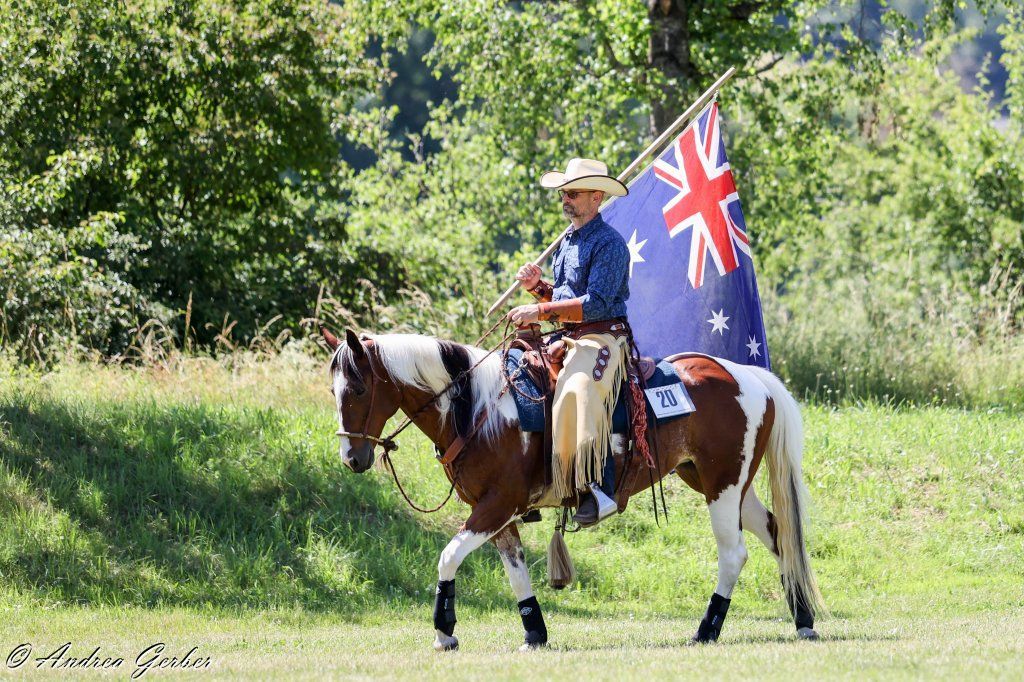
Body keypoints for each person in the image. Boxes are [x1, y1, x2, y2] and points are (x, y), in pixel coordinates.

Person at [506, 158, 631, 526]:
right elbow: (562, 298)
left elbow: (594, 304)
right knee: (515, 377)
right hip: (565, 337)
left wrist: (540, 313)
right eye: (564, 192)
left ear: (596, 197)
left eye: (573, 193)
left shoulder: (610, 244)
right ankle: (533, 481)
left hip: (602, 337)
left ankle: (599, 488)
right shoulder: (567, 242)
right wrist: (538, 290)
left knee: (578, 387)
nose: (566, 198)